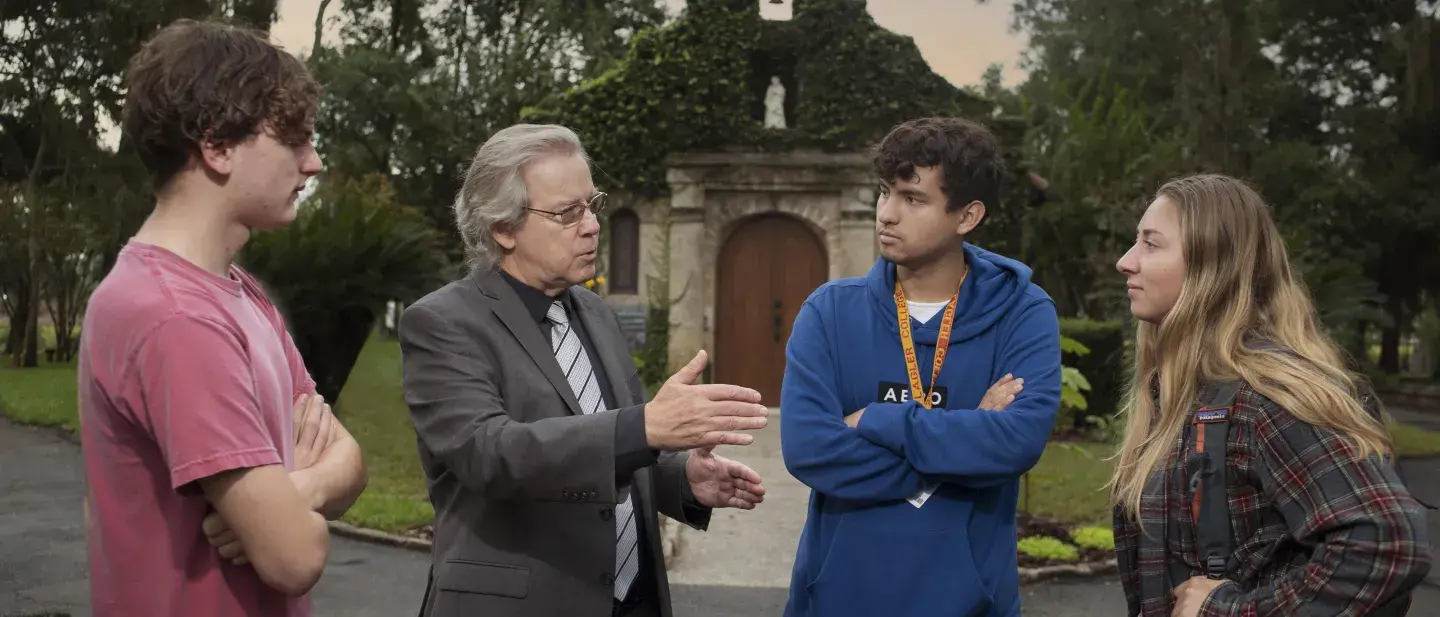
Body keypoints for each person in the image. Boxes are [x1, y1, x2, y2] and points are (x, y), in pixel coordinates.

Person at [397, 123, 770, 617]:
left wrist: (682, 481)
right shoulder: (443, 322)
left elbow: (619, 447)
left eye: (592, 205)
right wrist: (648, 426)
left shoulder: (595, 313)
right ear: (503, 228)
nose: (592, 224)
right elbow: (489, 454)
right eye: (567, 212)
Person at [77, 18, 367, 617]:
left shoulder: (238, 294)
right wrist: (300, 503)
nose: (313, 163)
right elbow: (294, 557)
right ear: (217, 145)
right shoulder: (175, 317)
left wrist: (297, 489)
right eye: (295, 139)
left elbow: (351, 461)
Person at [1109, 173, 1432, 616]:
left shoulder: (1267, 395)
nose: (1125, 261)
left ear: (1213, 266)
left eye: (1151, 243)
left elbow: (1385, 542)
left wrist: (1228, 611)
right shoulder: (1186, 393)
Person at [779, 116, 1063, 617]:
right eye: (885, 193)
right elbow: (809, 450)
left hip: (971, 601)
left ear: (967, 215)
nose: (887, 214)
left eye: (913, 199)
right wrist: (969, 434)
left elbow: (1017, 442)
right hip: (841, 596)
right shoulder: (829, 312)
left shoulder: (1023, 312)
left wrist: (874, 419)